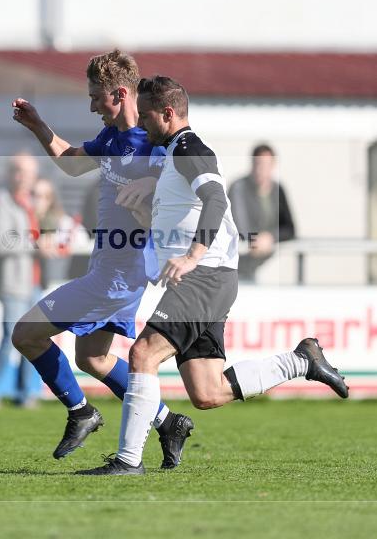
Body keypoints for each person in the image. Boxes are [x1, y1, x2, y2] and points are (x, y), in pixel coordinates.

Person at [78, 76, 347, 476]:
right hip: (205, 279)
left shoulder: (191, 148)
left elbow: (216, 199)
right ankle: (300, 361)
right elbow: (176, 216)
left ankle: (128, 461)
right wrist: (141, 213)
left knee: (142, 354)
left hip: (206, 274)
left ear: (167, 113)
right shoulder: (171, 154)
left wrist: (192, 256)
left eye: (148, 115)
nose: (143, 125)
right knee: (208, 391)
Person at [9, 50, 193, 469]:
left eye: (97, 97)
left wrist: (149, 197)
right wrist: (39, 126)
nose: (92, 106)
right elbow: (73, 165)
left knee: (25, 334)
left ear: (121, 93)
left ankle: (81, 412)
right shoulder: (111, 138)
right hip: (108, 270)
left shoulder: (156, 145)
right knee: (92, 357)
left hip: (119, 276)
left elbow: (175, 205)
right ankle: (168, 423)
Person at [0, 153, 43, 409]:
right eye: (19, 171)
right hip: (12, 282)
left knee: (32, 338)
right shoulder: (2, 201)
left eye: (28, 172)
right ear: (9, 173)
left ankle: (25, 393)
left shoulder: (31, 202)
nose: (24, 177)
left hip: (32, 281)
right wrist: (35, 243)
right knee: (10, 338)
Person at [228, 144, 296, 281]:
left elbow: (289, 229)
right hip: (233, 263)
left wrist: (270, 237)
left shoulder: (278, 189)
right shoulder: (238, 187)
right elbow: (238, 227)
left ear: (273, 165)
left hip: (257, 265)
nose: (261, 170)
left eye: (266, 165)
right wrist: (256, 239)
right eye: (258, 164)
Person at [32, 178, 83, 287]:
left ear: (51, 200)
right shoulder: (23, 220)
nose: (38, 201)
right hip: (28, 284)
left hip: (56, 284)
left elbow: (82, 239)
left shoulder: (63, 222)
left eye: (45, 197)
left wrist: (56, 244)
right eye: (34, 195)